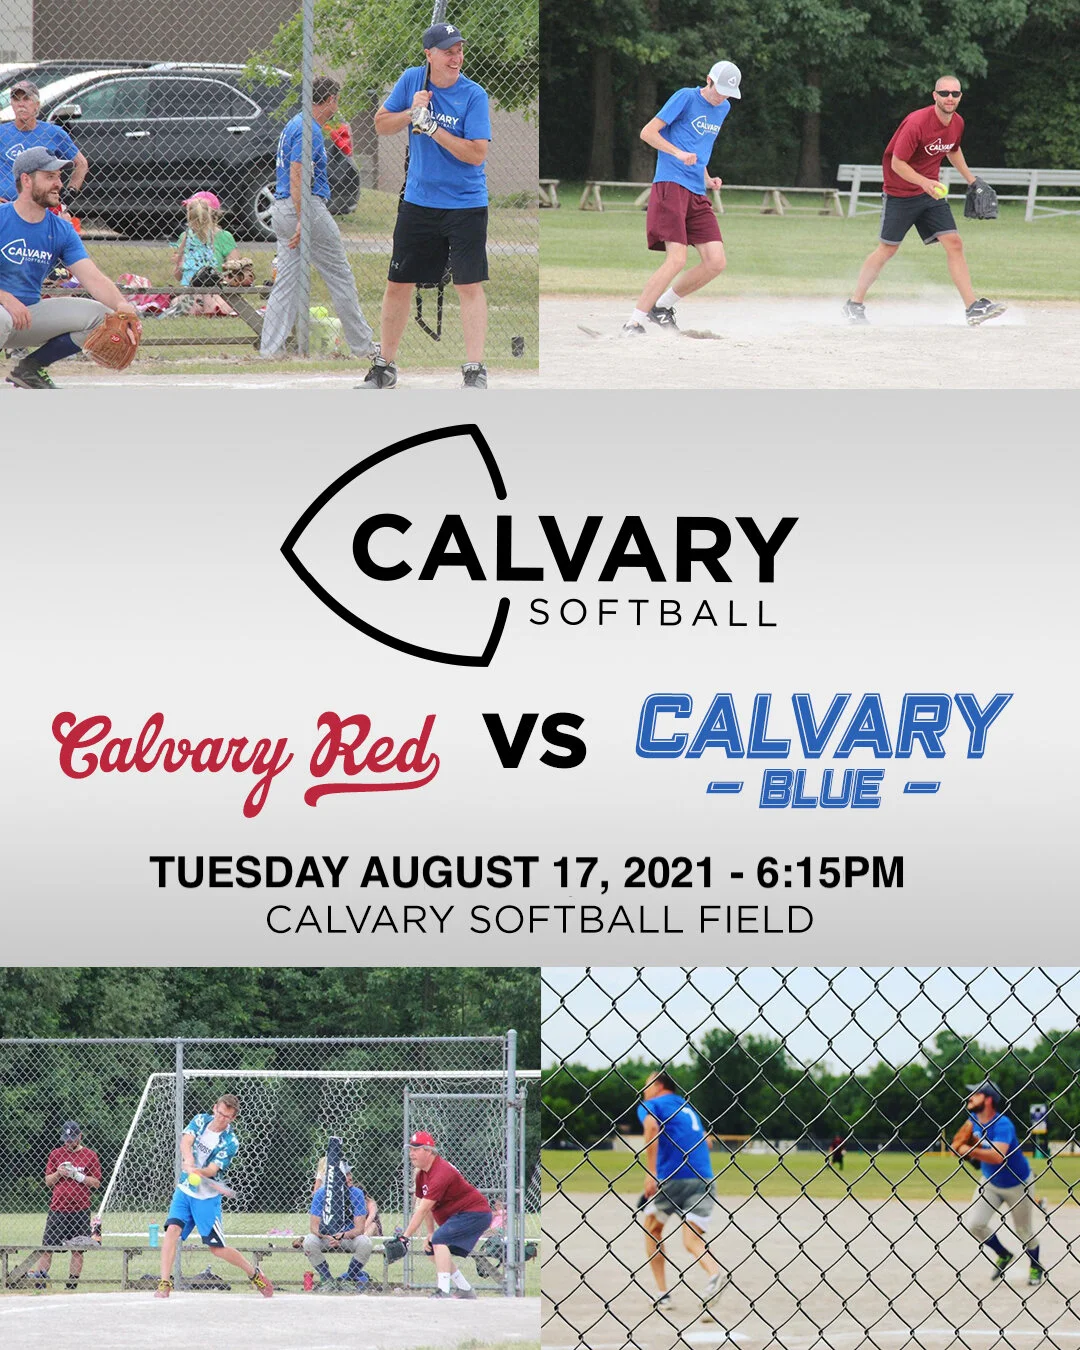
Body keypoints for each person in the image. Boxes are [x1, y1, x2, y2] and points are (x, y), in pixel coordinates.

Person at [360, 23, 492, 390]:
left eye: (459, 50)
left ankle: (475, 369)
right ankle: (385, 367)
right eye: (448, 51)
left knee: (468, 284)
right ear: (429, 55)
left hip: (465, 204)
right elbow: (381, 124)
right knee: (398, 282)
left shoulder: (473, 95)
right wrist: (410, 113)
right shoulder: (412, 80)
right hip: (419, 202)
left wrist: (433, 128)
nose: (456, 57)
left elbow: (476, 154)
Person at [842, 78, 1005, 327]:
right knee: (887, 249)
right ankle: (854, 305)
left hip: (930, 194)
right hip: (900, 194)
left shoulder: (957, 122)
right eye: (944, 92)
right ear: (934, 95)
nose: (950, 97)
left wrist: (972, 180)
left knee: (954, 243)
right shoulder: (917, 123)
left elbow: (952, 149)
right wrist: (923, 182)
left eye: (955, 93)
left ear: (960, 97)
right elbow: (897, 163)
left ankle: (972, 308)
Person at [1, 147, 141, 388]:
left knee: (104, 318)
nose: (59, 184)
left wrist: (122, 307)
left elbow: (93, 278)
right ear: (26, 180)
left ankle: (30, 369)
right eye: (49, 176)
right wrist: (4, 297)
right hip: (3, 313)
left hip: (27, 316)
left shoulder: (61, 230)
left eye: (59, 176)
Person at [259, 76, 376, 360]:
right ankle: (363, 347)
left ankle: (270, 350)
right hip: (304, 207)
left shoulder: (297, 123)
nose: (337, 106)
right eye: (336, 100)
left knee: (286, 283)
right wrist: (304, 219)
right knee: (340, 276)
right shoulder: (308, 128)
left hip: (283, 208)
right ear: (330, 100)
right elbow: (297, 175)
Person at [621, 61, 740, 336]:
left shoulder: (723, 108)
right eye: (719, 90)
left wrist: (706, 177)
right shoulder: (685, 97)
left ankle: (661, 307)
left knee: (716, 261)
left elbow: (699, 146)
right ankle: (633, 323)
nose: (722, 96)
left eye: (728, 93)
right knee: (677, 259)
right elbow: (647, 132)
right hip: (671, 183)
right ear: (708, 80)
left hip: (696, 190)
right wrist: (677, 153)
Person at [155, 1094, 273, 1299]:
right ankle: (164, 1283)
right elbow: (186, 1141)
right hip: (185, 1191)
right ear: (214, 1108)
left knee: (217, 1249)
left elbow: (211, 1170)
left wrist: (198, 1172)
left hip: (207, 1198)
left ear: (233, 1118)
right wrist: (189, 1160)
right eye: (219, 1113)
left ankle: (254, 1274)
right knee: (172, 1231)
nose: (221, 1118)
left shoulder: (230, 1142)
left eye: (227, 1117)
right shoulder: (201, 1120)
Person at [636, 1070, 724, 1315]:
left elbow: (651, 1127)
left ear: (659, 1085)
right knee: (692, 1240)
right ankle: (714, 1274)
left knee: (652, 1228)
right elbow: (706, 1140)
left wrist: (651, 1172)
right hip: (704, 1178)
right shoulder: (686, 1107)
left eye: (647, 1084)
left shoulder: (653, 1105)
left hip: (673, 1179)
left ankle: (663, 1294)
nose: (644, 1090)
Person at [952, 1081, 1045, 1285]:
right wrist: (960, 1151)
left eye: (976, 1094)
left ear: (988, 1100)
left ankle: (1036, 1266)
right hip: (990, 1183)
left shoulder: (1003, 1124)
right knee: (975, 1224)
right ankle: (1003, 1254)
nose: (970, 1098)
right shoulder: (972, 1120)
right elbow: (960, 1145)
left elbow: (997, 1156)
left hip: (1018, 1184)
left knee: (1024, 1230)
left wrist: (969, 1150)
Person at [398, 1129, 492, 1299]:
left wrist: (405, 1237)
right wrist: (430, 1232)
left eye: (416, 1149)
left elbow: (422, 1209)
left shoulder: (441, 1171)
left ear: (429, 1151)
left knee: (440, 1240)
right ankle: (464, 1288)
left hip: (475, 1213)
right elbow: (426, 1207)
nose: (411, 1153)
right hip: (460, 1215)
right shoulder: (422, 1175)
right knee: (431, 1248)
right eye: (410, 1149)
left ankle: (444, 1290)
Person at [31, 1120, 101, 1290]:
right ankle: (40, 1282)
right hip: (58, 1209)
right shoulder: (56, 1154)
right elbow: (48, 1181)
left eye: (72, 1139)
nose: (68, 1143)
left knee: (78, 1250)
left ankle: (71, 1285)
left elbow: (96, 1183)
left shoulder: (90, 1155)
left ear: (80, 1136)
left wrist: (78, 1176)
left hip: (80, 1210)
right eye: (66, 1140)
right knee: (48, 1248)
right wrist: (59, 1173)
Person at [0, 79, 88, 205]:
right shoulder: (2, 133)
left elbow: (82, 164)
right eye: (16, 99)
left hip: (41, 206)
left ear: (37, 105)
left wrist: (69, 193)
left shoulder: (53, 133)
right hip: (5, 206)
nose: (21, 104)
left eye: (26, 99)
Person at [300, 1158, 379, 1290]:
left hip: (349, 1237)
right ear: (334, 1179)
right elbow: (314, 1227)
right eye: (345, 1175)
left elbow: (359, 1229)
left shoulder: (357, 1193)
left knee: (365, 1243)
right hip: (326, 1238)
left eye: (349, 1173)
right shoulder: (321, 1194)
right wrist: (328, 1236)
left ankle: (348, 1279)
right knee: (309, 1241)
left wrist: (341, 1236)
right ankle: (328, 1280)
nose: (350, 1177)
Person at [172, 190, 241, 315]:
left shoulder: (224, 236)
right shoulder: (185, 237)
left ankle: (210, 307)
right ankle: (202, 307)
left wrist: (215, 278)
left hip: (217, 290)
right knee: (181, 304)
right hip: (192, 291)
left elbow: (234, 272)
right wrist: (180, 262)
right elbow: (178, 276)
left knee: (217, 306)